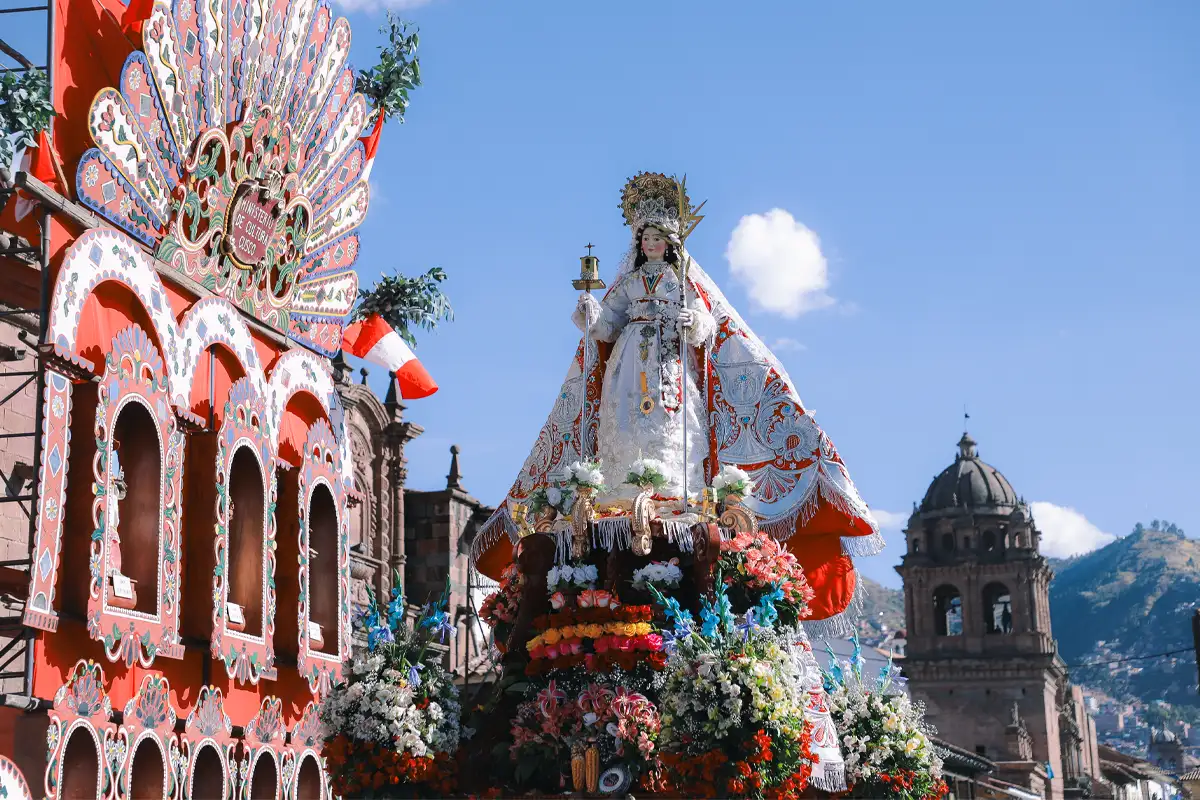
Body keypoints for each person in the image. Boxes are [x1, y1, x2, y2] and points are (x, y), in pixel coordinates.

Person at [472, 173, 882, 636]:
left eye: (657, 238)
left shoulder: (681, 280)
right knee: (623, 422)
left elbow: (708, 326)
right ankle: (620, 489)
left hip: (670, 366)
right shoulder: (628, 284)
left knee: (671, 422)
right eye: (643, 237)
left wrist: (695, 321)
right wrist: (590, 313)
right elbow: (605, 327)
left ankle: (674, 488)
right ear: (637, 242)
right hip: (628, 364)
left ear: (669, 244)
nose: (649, 245)